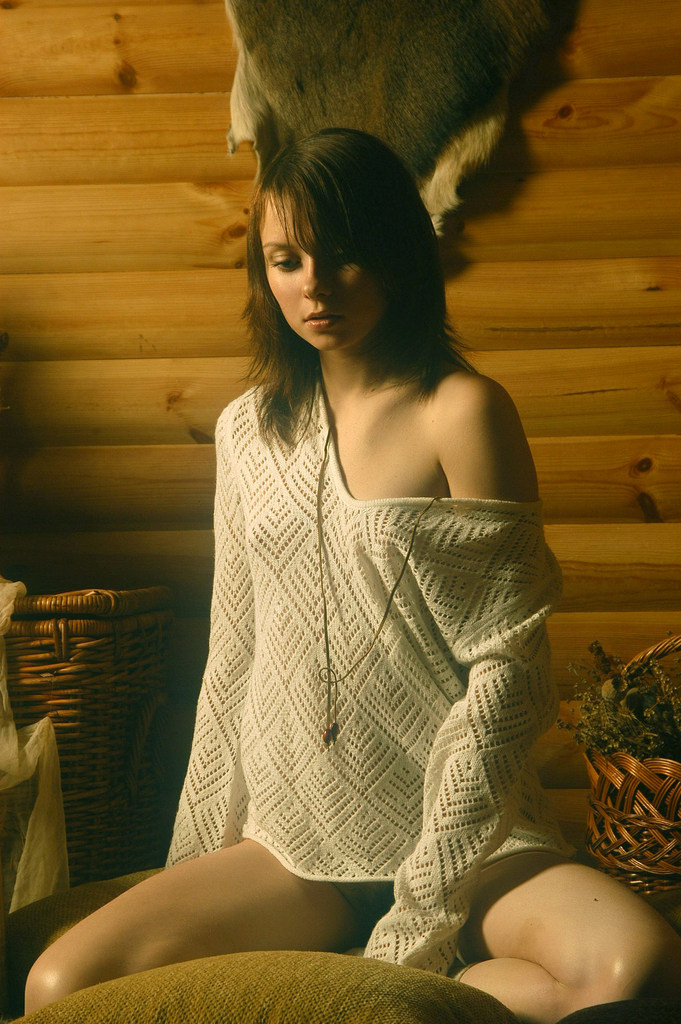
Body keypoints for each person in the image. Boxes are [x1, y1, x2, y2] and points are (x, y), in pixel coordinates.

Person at [25, 128, 681, 1024]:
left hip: (476, 840)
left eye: (343, 256)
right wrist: (197, 859)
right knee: (60, 985)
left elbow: (509, 674)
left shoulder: (462, 410)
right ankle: (357, 976)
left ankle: (387, 984)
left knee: (632, 968)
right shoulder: (247, 431)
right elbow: (236, 651)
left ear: (398, 255)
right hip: (294, 842)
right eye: (286, 261)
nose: (315, 287)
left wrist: (423, 908)